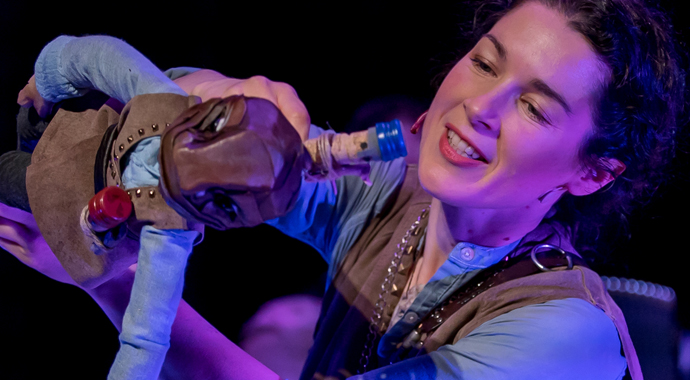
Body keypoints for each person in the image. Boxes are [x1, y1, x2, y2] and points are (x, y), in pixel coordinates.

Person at [1, 0, 686, 379]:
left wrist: (107, 282)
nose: (480, 107)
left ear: (592, 172)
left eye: (535, 108)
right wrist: (215, 108)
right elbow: (183, 135)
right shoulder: (391, 194)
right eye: (483, 63)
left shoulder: (564, 333)